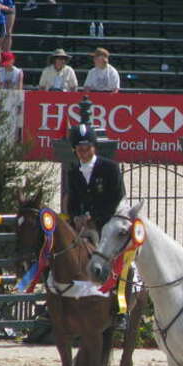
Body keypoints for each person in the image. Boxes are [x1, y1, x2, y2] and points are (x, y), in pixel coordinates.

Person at [66, 122, 127, 327]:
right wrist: (76, 216)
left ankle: (121, 307)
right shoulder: (73, 172)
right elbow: (72, 200)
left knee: (119, 258)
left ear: (94, 147)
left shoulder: (109, 168)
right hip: (85, 225)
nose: (83, 153)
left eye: (87, 148)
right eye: (79, 149)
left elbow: (116, 197)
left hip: (108, 221)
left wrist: (94, 217)